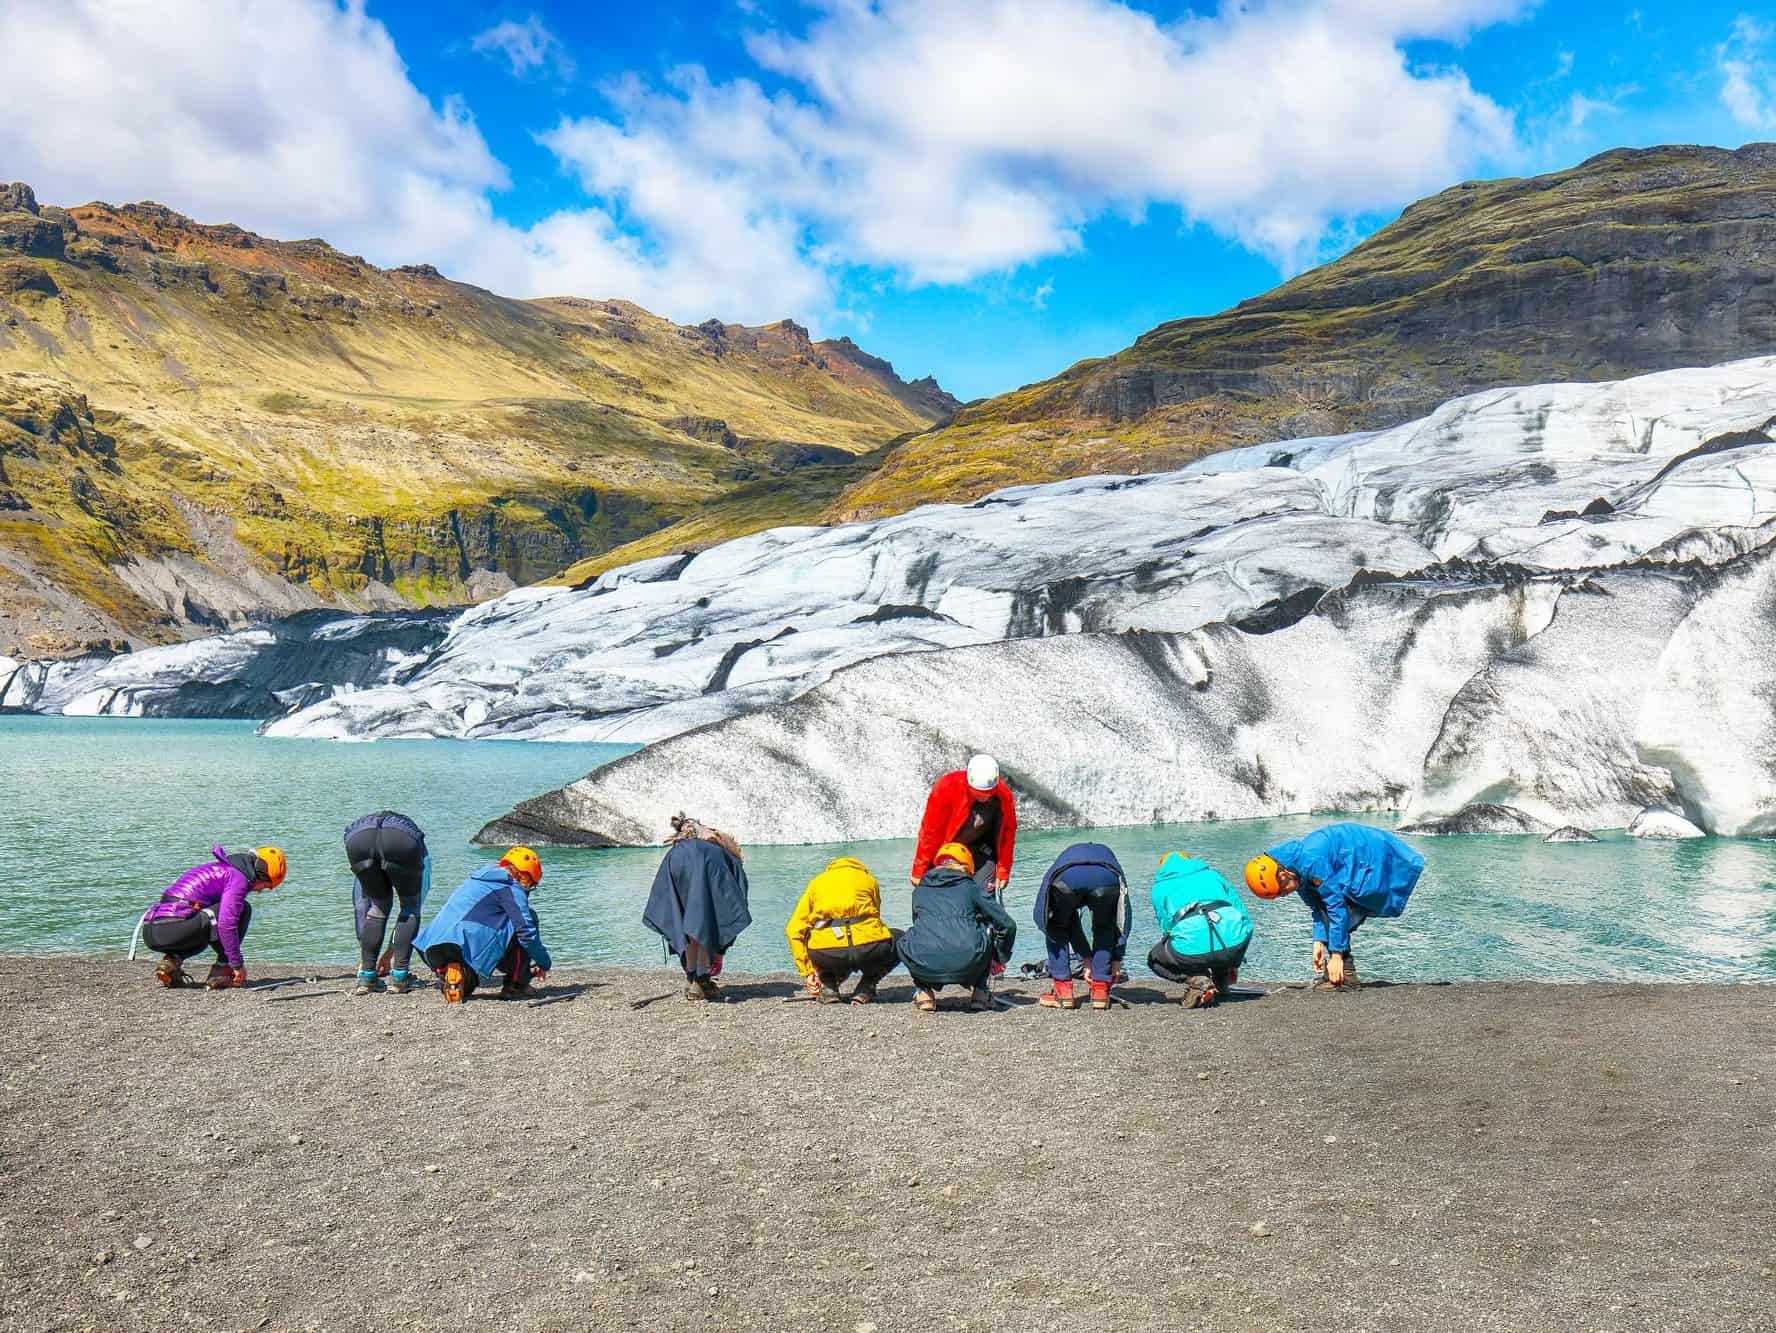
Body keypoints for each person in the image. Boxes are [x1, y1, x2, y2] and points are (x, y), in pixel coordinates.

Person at [1245, 822, 1425, 989]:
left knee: (1348, 908)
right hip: (1354, 857)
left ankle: (1347, 975)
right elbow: (1317, 906)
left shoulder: (1310, 863)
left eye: (1282, 891)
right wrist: (1319, 941)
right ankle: (1339, 971)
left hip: (1370, 859)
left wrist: (1336, 953)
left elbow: (1335, 905)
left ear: (1283, 875)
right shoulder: (1296, 869)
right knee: (1333, 911)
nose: (1284, 895)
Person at [137, 845, 288, 989]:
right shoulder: (238, 878)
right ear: (263, 875)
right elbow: (226, 925)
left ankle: (171, 963)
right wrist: (236, 964)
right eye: (266, 886)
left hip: (152, 930)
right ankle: (221, 972)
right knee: (243, 909)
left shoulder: (221, 868)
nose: (260, 891)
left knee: (207, 933)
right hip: (175, 928)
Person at [414, 847, 551, 1004]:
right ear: (524, 875)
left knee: (468, 985)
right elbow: (526, 932)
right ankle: (516, 984)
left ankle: (450, 972)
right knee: (527, 920)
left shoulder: (478, 878)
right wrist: (544, 963)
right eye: (530, 884)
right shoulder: (511, 887)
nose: (528, 889)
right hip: (467, 943)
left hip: (432, 944)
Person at [896, 843, 1017, 1012]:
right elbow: (1007, 925)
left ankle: (924, 992)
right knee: (986, 930)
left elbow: (919, 925)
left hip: (926, 965)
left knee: (908, 938)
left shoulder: (920, 890)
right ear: (967, 866)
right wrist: (1000, 955)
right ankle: (980, 992)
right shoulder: (971, 888)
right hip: (969, 963)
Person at [644, 813, 751, 1002]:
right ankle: (701, 980)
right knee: (703, 923)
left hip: (675, 862)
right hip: (703, 863)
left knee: (685, 922)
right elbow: (735, 883)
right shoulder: (716, 850)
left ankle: (692, 978)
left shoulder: (678, 848)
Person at [786, 857, 901, 1005]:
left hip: (827, 954)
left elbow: (793, 929)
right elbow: (875, 917)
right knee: (900, 939)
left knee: (812, 935)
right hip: (869, 950)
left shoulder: (817, 882)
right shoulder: (869, 880)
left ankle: (828, 985)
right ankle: (866, 986)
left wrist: (807, 972)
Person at [1148, 851, 1253, 1008]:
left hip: (1192, 947)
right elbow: (1242, 913)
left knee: (1155, 958)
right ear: (1190, 861)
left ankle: (1197, 979)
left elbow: (1166, 928)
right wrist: (1236, 960)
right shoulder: (1213, 875)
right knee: (1221, 934)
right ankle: (1221, 981)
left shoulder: (1159, 887)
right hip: (1233, 945)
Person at [1032, 843, 1130, 1011]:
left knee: (1056, 926)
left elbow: (1049, 914)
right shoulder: (1109, 857)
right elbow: (1123, 920)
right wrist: (1116, 958)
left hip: (1067, 879)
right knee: (1105, 926)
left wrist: (1085, 958)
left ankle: (1063, 992)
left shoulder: (1064, 858)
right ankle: (1100, 990)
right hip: (1106, 879)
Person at [343, 810, 431, 996]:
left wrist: (365, 960)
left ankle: (366, 979)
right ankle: (399, 978)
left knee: (378, 906)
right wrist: (391, 954)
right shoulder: (415, 840)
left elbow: (361, 904)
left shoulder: (363, 826)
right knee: (410, 907)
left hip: (358, 837)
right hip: (401, 840)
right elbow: (417, 902)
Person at [911, 754, 1017, 897]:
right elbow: (930, 832)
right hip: (949, 853)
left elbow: (1007, 834)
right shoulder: (946, 787)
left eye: (988, 794)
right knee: (948, 901)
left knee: (984, 900)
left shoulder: (1003, 795)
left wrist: (1003, 870)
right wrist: (919, 870)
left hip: (981, 851)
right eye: (978, 794)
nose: (984, 797)